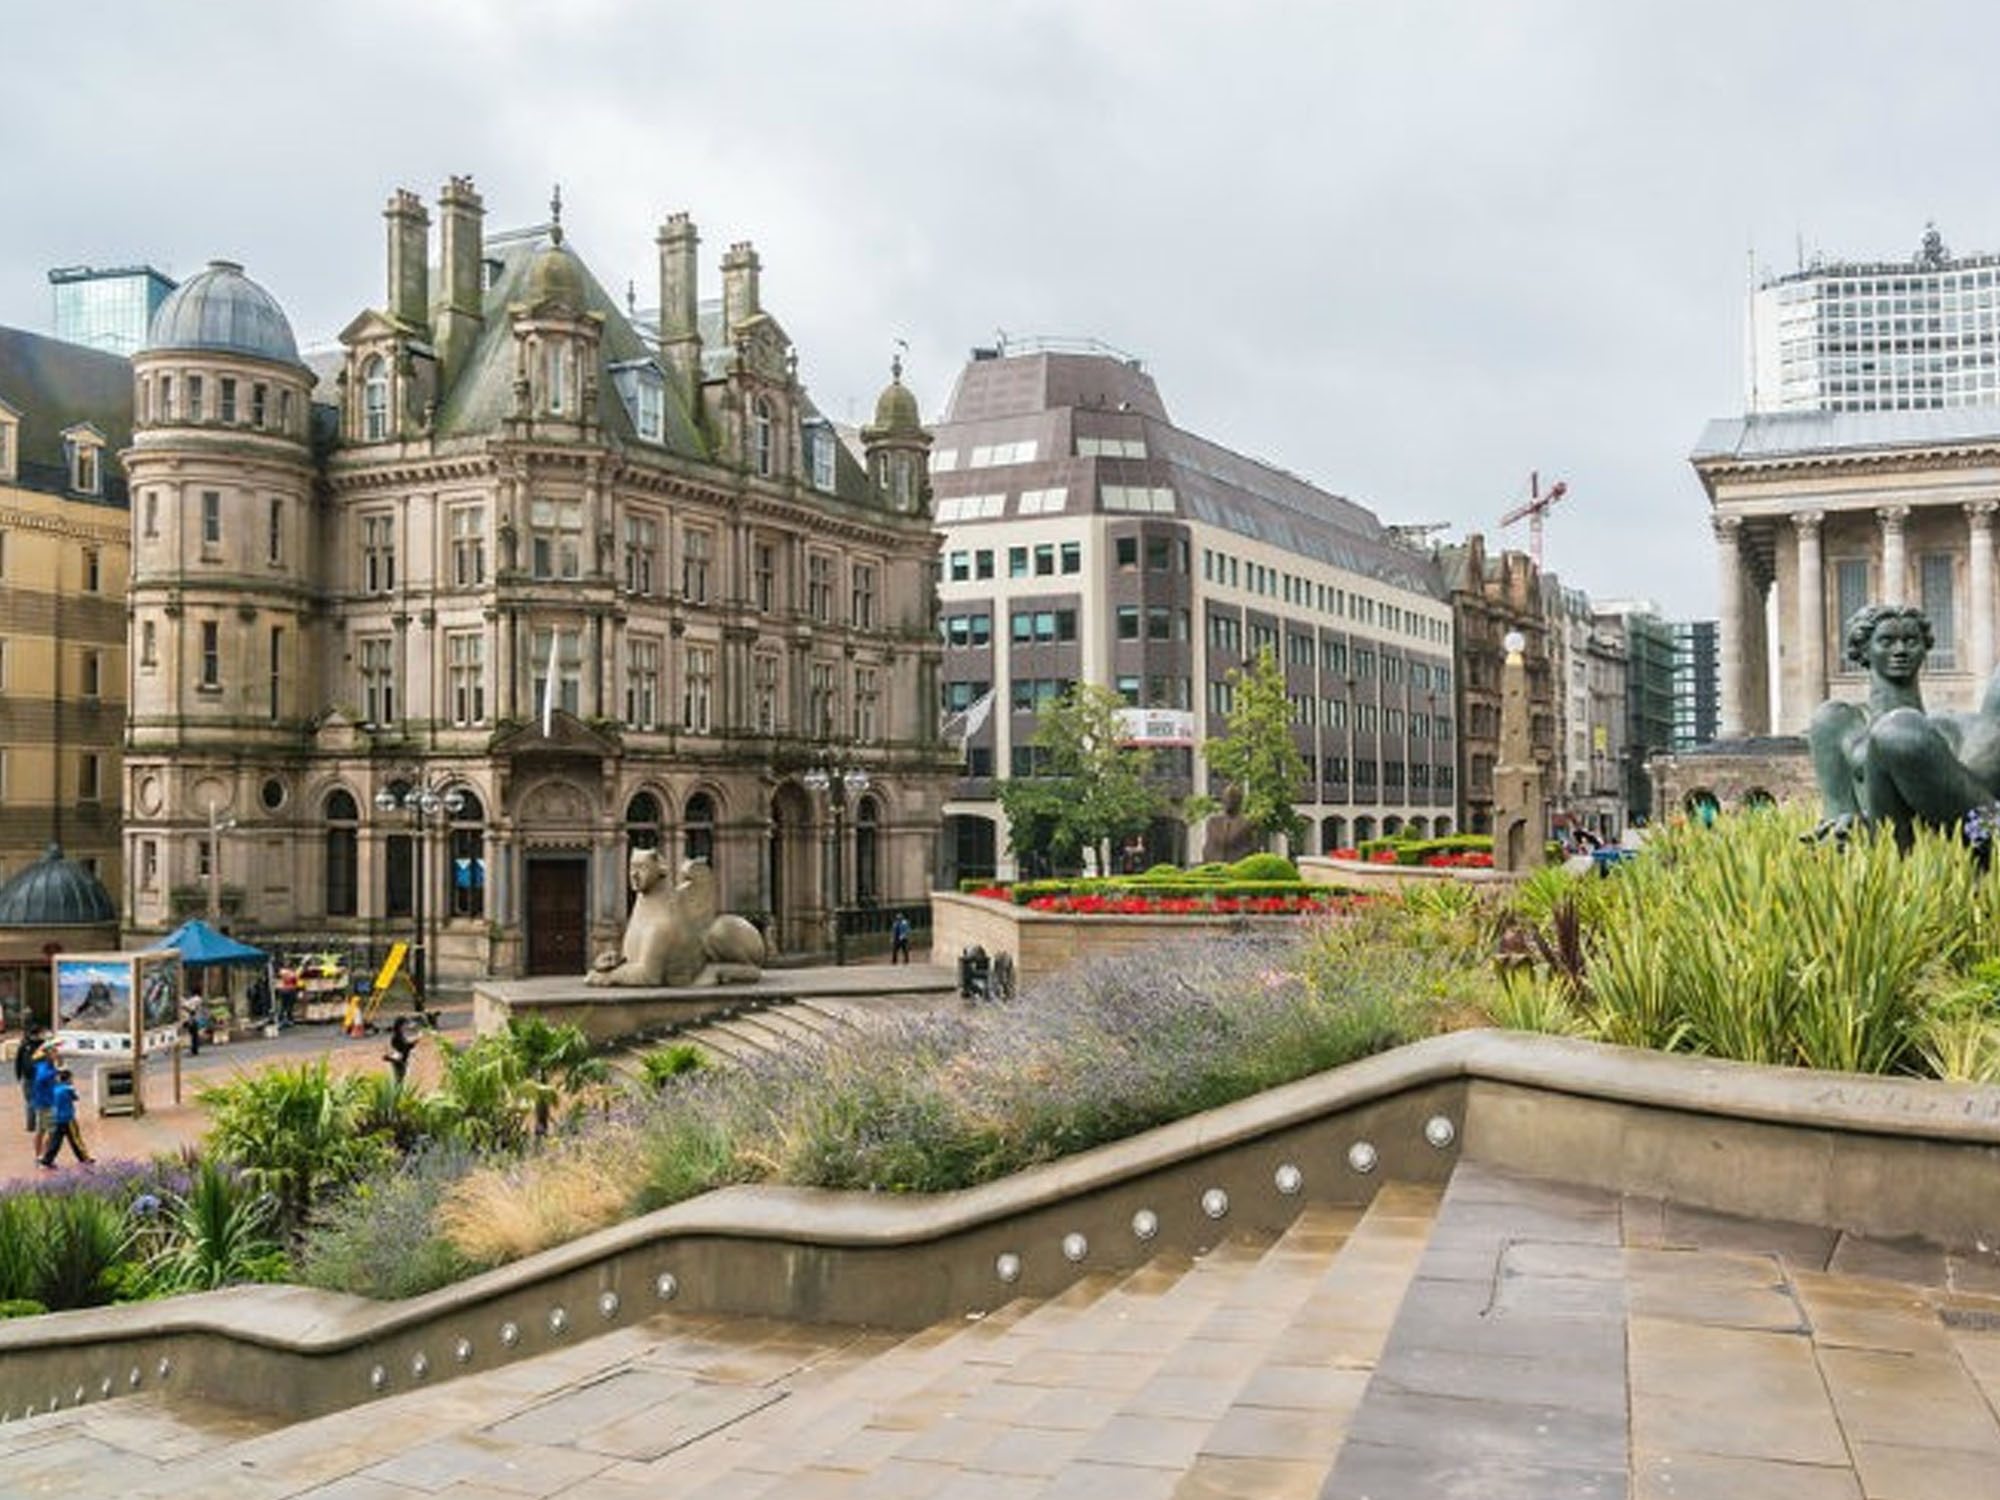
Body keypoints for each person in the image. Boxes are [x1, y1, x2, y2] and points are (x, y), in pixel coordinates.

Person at [1808, 602, 2000, 848]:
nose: (1900, 650)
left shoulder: (1956, 725)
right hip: (1894, 844)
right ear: (1864, 650)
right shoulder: (1840, 721)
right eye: (1886, 642)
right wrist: (1850, 823)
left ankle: (1990, 834)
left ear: (1924, 649)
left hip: (1966, 843)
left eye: (1910, 641)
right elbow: (1836, 811)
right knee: (1897, 732)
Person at [38, 1067, 91, 1169]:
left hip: (57, 1119)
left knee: (55, 1141)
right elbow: (76, 1097)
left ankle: (47, 1160)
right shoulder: (68, 1089)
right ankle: (84, 1158)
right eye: (71, 1078)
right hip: (68, 1119)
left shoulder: (54, 1089)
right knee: (75, 1139)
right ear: (68, 1079)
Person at [29, 1043, 60, 1162]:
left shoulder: (49, 1065)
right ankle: (44, 1156)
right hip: (45, 1103)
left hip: (46, 1101)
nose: (56, 1054)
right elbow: (41, 1078)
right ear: (47, 1054)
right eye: (54, 1052)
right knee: (51, 1131)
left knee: (41, 1130)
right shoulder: (43, 1066)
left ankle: (40, 1156)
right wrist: (55, 1071)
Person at [13, 1023, 44, 1133]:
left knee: (31, 1101)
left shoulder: (24, 1045)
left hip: (30, 1076)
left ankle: (32, 1125)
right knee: (38, 1100)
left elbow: (18, 1062)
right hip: (38, 1076)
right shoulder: (42, 1045)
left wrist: (18, 1075)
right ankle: (40, 1123)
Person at [384, 1016, 420, 1085]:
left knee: (400, 1080)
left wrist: (414, 1042)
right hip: (399, 1062)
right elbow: (404, 1047)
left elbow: (405, 1046)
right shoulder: (396, 1037)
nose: (405, 1027)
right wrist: (414, 1042)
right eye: (404, 1025)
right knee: (399, 1081)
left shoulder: (399, 1035)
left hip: (401, 1061)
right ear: (400, 1026)